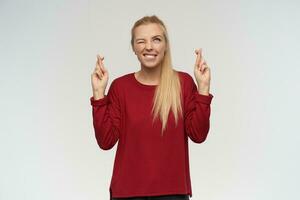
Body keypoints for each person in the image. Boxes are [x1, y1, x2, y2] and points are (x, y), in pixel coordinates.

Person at [90, 15, 213, 200]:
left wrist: (203, 89)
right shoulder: (120, 87)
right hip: (127, 194)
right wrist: (99, 94)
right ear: (134, 48)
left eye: (156, 39)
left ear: (165, 46)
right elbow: (106, 141)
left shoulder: (183, 83)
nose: (149, 46)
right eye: (141, 41)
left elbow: (198, 135)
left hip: (173, 193)